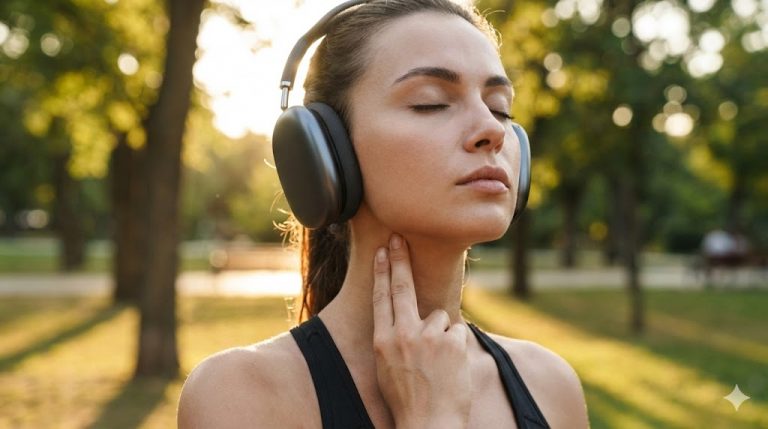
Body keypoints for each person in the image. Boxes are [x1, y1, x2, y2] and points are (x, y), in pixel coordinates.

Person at [178, 1, 589, 427]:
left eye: (500, 106)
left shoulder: (551, 385)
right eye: (430, 103)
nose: (493, 129)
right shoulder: (241, 395)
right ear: (324, 151)